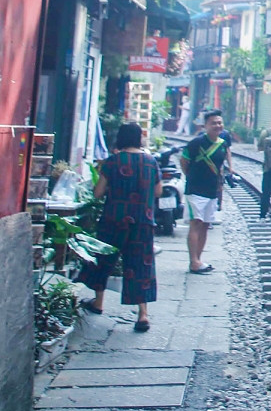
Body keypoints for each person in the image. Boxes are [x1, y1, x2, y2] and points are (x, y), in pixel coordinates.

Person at [77, 123, 161, 332]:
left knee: (103, 260)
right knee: (141, 265)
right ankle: (143, 315)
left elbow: (98, 192)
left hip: (114, 219)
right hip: (143, 221)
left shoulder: (112, 162)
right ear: (139, 139)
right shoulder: (151, 162)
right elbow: (158, 191)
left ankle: (98, 302)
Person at [179, 110, 228, 274]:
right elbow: (184, 161)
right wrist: (192, 177)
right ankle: (193, 261)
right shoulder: (196, 143)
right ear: (206, 125)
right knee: (196, 223)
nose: (217, 126)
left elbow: (220, 167)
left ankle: (198, 260)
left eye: (219, 123)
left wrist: (219, 186)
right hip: (195, 190)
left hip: (212, 191)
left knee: (206, 225)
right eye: (214, 123)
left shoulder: (222, 144)